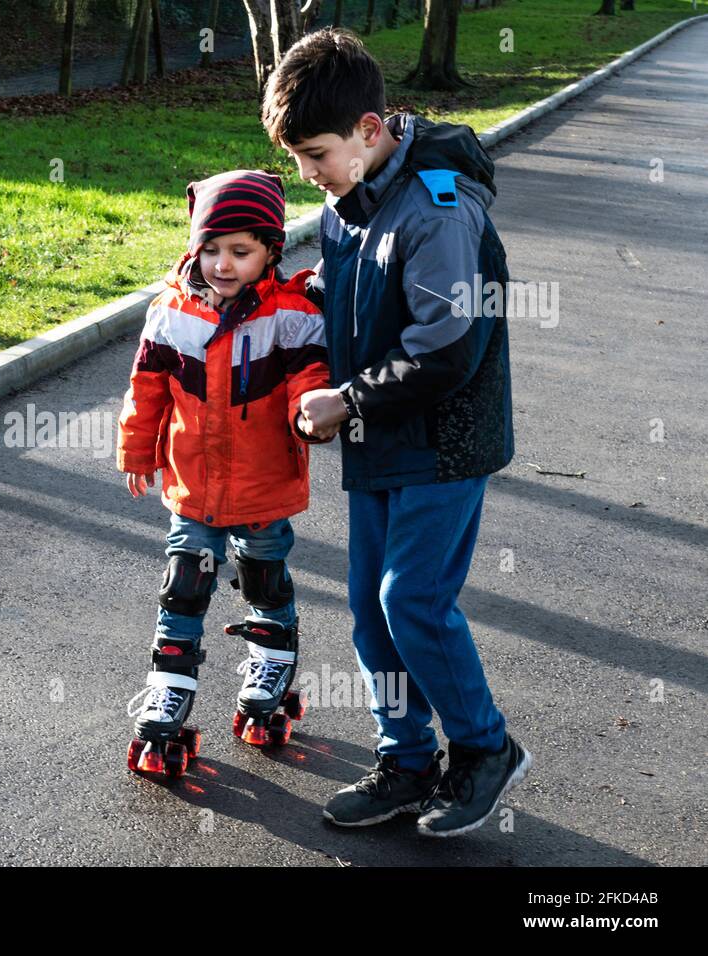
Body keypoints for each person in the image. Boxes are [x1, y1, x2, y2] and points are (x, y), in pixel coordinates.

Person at [265, 27, 531, 835]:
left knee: (411, 599)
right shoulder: (351, 198)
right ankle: (407, 762)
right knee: (370, 611)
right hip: (380, 432)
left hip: (444, 437)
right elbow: (364, 288)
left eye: (315, 153)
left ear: (370, 131)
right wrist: (308, 293)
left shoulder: (438, 208)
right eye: (299, 159)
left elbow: (447, 347)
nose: (307, 174)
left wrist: (345, 400)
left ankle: (486, 750)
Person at [116, 169, 332, 776]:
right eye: (210, 249)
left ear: (270, 250)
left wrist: (309, 416)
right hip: (193, 484)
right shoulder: (171, 312)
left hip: (264, 485)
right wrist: (138, 450)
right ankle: (169, 688)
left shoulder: (291, 316)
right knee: (184, 583)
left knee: (263, 577)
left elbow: (308, 380)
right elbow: (146, 388)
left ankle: (271, 661)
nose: (222, 264)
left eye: (240, 251)